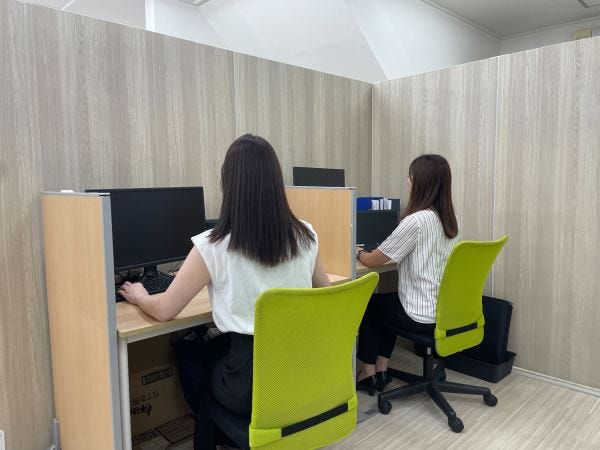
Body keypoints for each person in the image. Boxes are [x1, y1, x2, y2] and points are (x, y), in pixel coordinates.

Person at [119, 134, 331, 449]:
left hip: (251, 385)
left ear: (228, 184)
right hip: (301, 374)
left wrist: (139, 296)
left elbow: (164, 310)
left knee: (197, 359)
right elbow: (326, 294)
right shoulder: (306, 235)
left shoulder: (213, 245)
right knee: (216, 351)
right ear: (276, 183)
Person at [354, 154, 459, 395]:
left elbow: (372, 260)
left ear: (421, 183)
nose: (407, 181)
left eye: (410, 177)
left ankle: (368, 372)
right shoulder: (451, 221)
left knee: (372, 305)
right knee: (388, 303)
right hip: (445, 311)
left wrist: (358, 252)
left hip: (420, 314)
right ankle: (382, 369)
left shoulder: (416, 221)